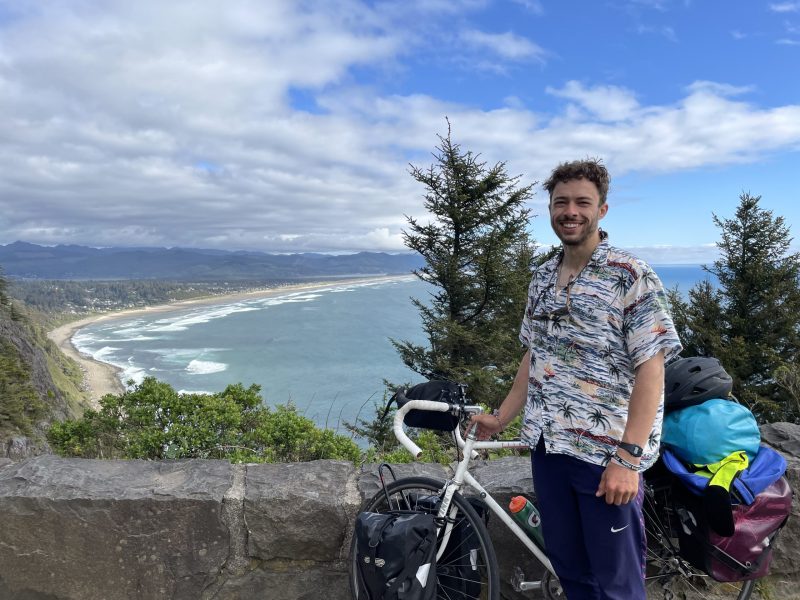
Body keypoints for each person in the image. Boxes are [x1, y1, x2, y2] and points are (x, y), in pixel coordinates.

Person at [471, 159, 682, 600]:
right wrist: (502, 417)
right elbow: (535, 353)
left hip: (605, 454)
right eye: (561, 202)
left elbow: (652, 366)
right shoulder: (543, 277)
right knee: (570, 571)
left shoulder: (630, 274)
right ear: (549, 208)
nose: (571, 211)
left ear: (602, 209)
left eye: (582, 202)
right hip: (549, 447)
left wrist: (628, 459)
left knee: (616, 582)